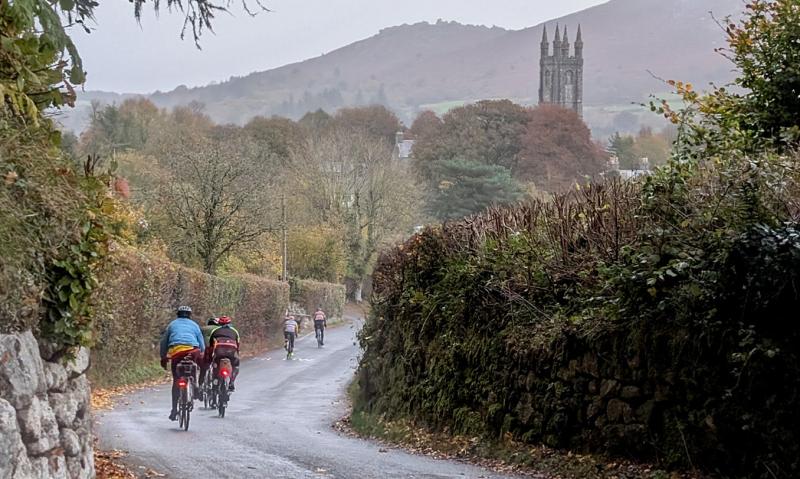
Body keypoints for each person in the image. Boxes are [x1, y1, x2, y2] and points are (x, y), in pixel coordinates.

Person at [160, 305, 205, 421]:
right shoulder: (195, 325)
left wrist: (163, 357)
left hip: (177, 354)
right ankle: (196, 386)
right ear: (190, 315)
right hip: (192, 351)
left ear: (178, 314)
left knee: (176, 380)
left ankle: (174, 410)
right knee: (195, 367)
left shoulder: (172, 325)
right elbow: (201, 344)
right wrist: (202, 354)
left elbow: (163, 342)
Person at [206, 316, 241, 392]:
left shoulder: (215, 331)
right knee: (236, 365)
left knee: (215, 365)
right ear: (229, 323)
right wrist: (237, 354)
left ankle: (215, 382)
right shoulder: (235, 331)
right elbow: (238, 345)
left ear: (219, 323)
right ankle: (231, 382)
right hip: (232, 351)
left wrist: (210, 357)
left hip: (219, 352)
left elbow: (211, 345)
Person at [198, 317, 219, 389]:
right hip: (217, 350)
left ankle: (200, 385)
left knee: (203, 368)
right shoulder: (219, 329)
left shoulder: (202, 329)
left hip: (205, 350)